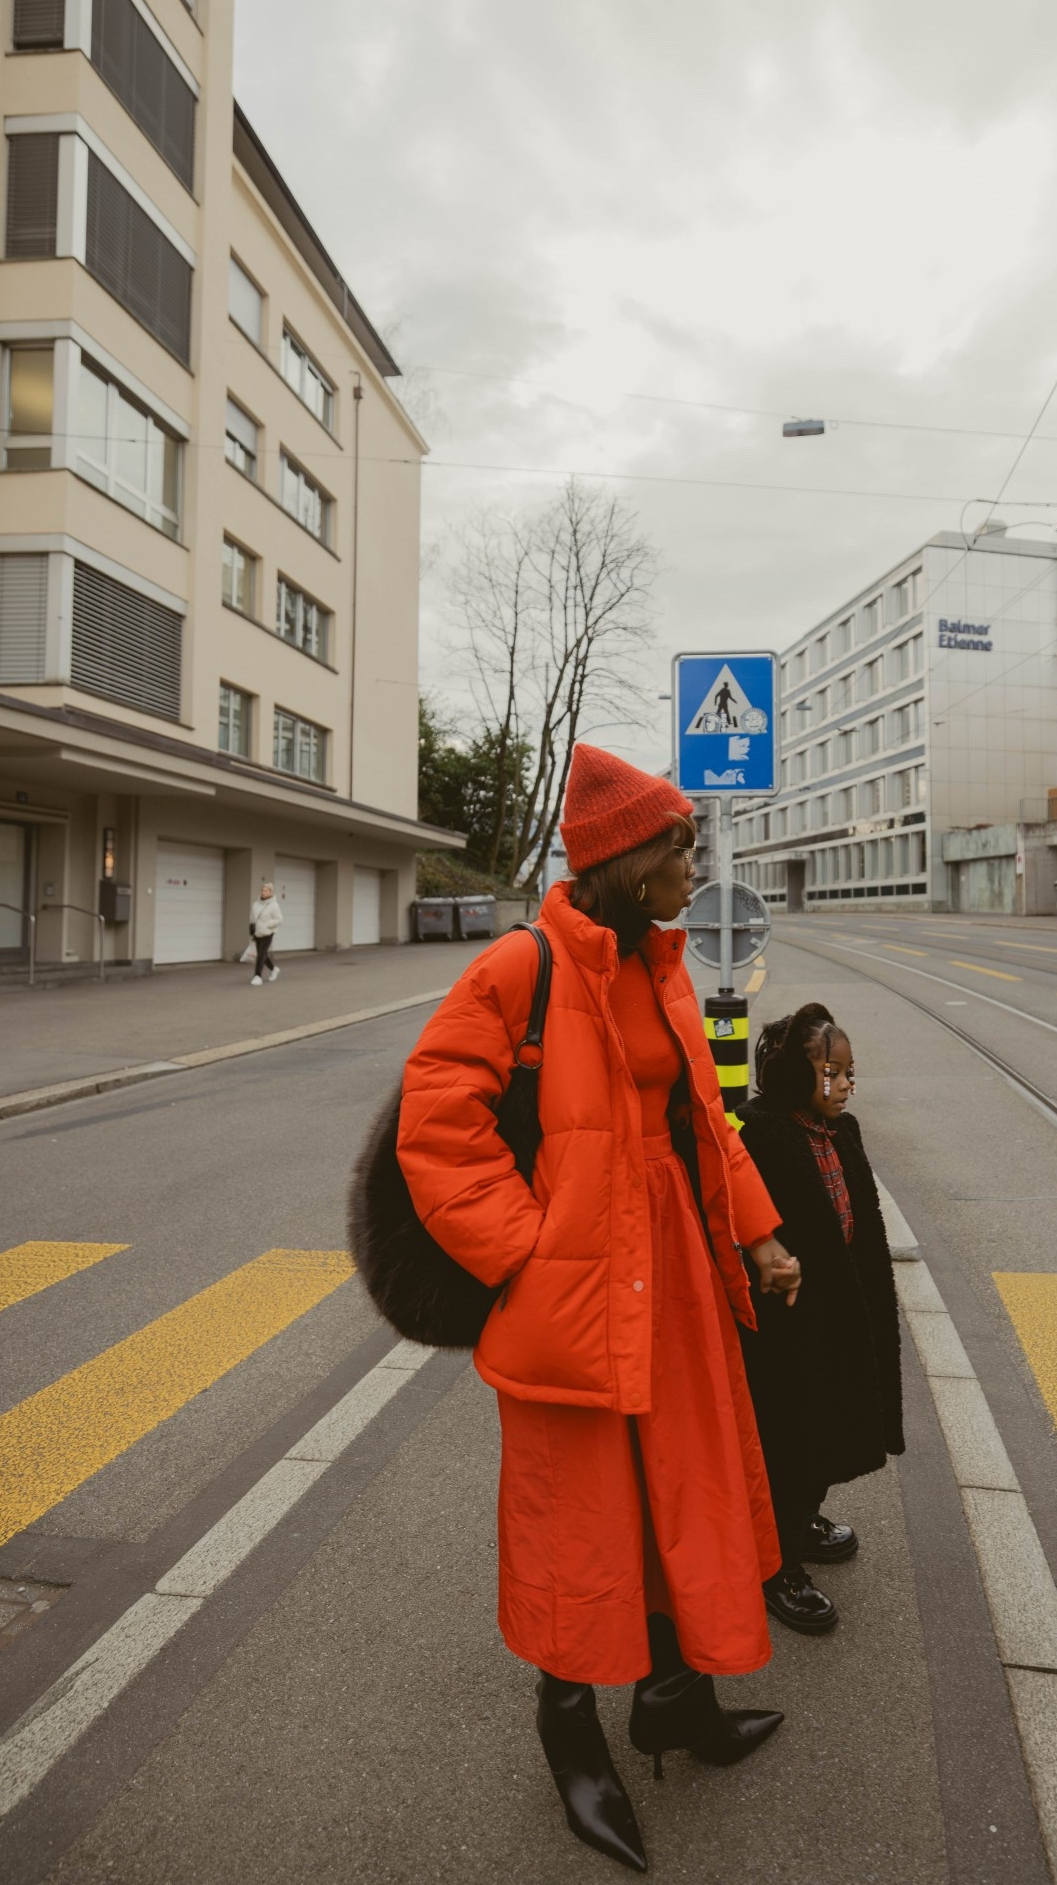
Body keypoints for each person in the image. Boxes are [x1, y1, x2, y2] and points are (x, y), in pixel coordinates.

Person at [397, 743, 801, 1873]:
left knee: (687, 1484)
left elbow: (702, 1123)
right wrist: (528, 1254)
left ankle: (677, 1698)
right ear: (627, 859)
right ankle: (568, 1728)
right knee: (577, 1514)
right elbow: (434, 1123)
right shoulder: (520, 969)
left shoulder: (660, 964)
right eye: (680, 847)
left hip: (671, 1272)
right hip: (572, 1294)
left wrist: (759, 1228)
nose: (694, 865)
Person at [735, 1003, 904, 1635]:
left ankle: (800, 1519)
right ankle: (773, 1564)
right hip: (788, 1325)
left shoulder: (843, 1130)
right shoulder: (761, 1133)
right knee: (790, 1442)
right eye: (830, 1073)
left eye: (849, 1072)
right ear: (787, 1077)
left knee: (831, 1431)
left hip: (840, 1311)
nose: (844, 1085)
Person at [249, 881, 282, 986]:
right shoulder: (256, 904)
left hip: (268, 932)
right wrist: (252, 931)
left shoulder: (274, 905)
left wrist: (268, 924)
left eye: (266, 890)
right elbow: (253, 918)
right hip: (258, 932)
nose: (263, 892)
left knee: (261, 954)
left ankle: (257, 976)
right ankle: (274, 969)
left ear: (271, 892)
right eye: (262, 890)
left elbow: (279, 919)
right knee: (262, 954)